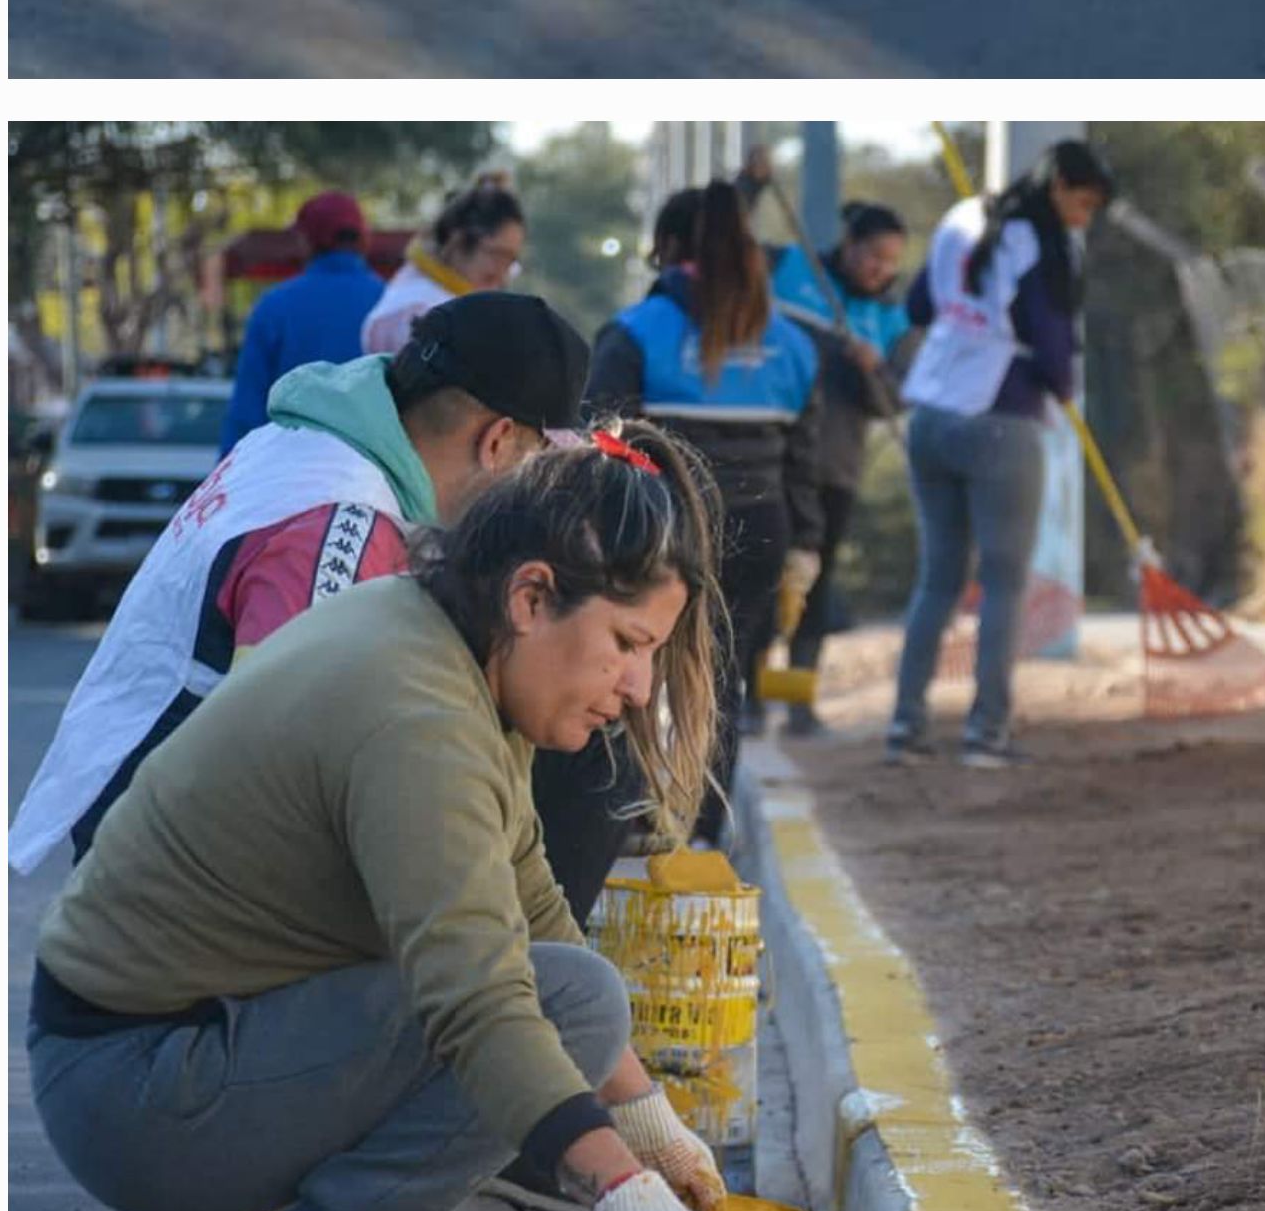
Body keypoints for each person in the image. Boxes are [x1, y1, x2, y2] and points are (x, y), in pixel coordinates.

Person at [24, 426, 749, 1211]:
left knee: (577, 996)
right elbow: (481, 1000)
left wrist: (648, 1121)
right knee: (562, 1005)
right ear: (533, 596)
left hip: (149, 1046)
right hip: (137, 1092)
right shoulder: (420, 715)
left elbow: (529, 901)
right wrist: (628, 1198)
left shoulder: (441, 641)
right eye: (628, 644)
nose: (639, 690)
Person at [11, 293, 593, 884]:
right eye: (539, 465)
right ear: (497, 443)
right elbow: (291, 757)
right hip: (176, 866)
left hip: (139, 811)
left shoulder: (298, 445)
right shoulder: (340, 520)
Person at [584, 181, 819, 849]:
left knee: (627, 663)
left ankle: (628, 816)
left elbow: (601, 436)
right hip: (761, 530)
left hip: (658, 531)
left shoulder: (634, 333)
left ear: (669, 247)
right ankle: (701, 833)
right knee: (721, 682)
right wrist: (808, 544)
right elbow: (806, 459)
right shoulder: (793, 344)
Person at [886, 139, 1115, 772]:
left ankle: (905, 728)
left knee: (936, 579)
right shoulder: (1035, 239)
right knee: (1005, 584)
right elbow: (1049, 336)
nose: (1083, 217)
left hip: (929, 413)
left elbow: (917, 306)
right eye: (1083, 202)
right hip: (1000, 419)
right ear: (1059, 184)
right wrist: (1063, 386)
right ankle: (985, 734)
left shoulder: (962, 218)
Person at [763, 201, 910, 737]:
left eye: (890, 262)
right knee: (761, 576)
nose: (880, 270)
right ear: (849, 246)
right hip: (773, 459)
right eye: (873, 256)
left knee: (815, 585)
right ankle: (752, 701)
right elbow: (721, 236)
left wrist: (874, 370)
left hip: (834, 469)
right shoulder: (792, 271)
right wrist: (752, 185)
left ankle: (800, 703)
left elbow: (893, 402)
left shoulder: (891, 321)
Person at [219, 191, 382, 450]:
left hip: (290, 475)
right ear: (363, 237)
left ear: (306, 241)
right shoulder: (390, 305)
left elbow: (247, 412)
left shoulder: (274, 307)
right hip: (375, 479)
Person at [361, 173, 530, 355]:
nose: (503, 274)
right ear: (458, 242)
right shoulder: (416, 309)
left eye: (511, 260)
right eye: (498, 255)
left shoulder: (456, 304)